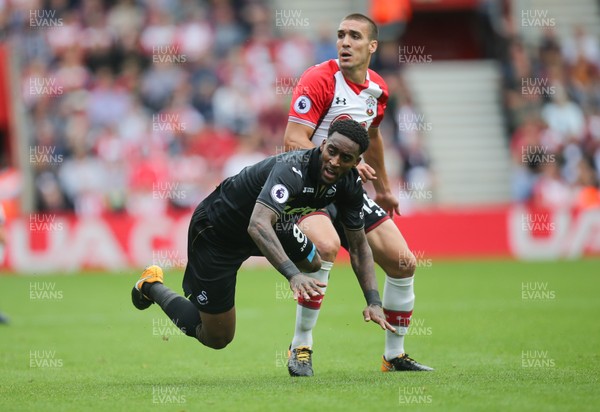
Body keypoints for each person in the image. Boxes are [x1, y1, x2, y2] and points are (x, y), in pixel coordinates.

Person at [131, 119, 395, 353]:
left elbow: (359, 246)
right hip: (218, 233)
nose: (335, 161)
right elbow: (257, 224)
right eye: (332, 151)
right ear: (323, 144)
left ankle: (301, 345)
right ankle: (151, 286)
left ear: (357, 163)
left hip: (274, 225)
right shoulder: (293, 169)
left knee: (314, 262)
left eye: (345, 158)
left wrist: (373, 301)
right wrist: (292, 275)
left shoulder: (348, 183)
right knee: (217, 337)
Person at [283, 13, 432, 375]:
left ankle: (393, 356)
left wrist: (383, 188)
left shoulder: (377, 89)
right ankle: (301, 346)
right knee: (326, 248)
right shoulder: (318, 79)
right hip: (307, 187)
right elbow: (291, 141)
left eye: (354, 36)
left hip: (347, 190)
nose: (345, 42)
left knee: (403, 262)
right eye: (340, 35)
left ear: (372, 46)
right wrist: (339, 160)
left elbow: (374, 136)